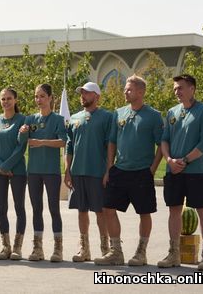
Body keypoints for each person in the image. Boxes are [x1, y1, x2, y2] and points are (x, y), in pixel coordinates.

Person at [94, 75, 163, 266]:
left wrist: (153, 168)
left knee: (144, 212)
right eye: (125, 88)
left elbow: (161, 144)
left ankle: (141, 252)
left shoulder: (154, 115)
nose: (125, 91)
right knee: (108, 208)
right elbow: (112, 142)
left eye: (129, 89)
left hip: (142, 172)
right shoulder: (119, 113)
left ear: (141, 92)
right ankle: (116, 251)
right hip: (119, 170)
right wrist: (109, 168)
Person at [157, 74, 203, 271]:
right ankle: (174, 254)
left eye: (180, 88)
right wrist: (170, 160)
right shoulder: (172, 112)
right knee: (174, 210)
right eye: (175, 88)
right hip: (173, 171)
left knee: (202, 210)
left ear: (192, 89)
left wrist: (186, 160)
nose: (177, 92)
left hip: (196, 172)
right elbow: (164, 140)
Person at [64, 82, 112, 262]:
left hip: (98, 172)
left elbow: (110, 146)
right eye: (82, 93)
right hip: (77, 172)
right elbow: (69, 147)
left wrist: (108, 170)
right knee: (81, 210)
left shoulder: (107, 117)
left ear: (97, 96)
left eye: (87, 93)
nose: (83, 96)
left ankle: (105, 248)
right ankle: (84, 249)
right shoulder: (75, 118)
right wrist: (67, 171)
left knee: (101, 211)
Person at [19, 84, 67, 262]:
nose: (39, 100)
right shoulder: (30, 119)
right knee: (36, 209)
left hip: (51, 172)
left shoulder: (58, 119)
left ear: (50, 98)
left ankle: (58, 248)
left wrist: (42, 142)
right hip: (33, 172)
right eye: (36, 96)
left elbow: (63, 142)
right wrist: (22, 133)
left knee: (54, 209)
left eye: (42, 96)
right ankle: (37, 248)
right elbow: (22, 141)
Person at [0, 87, 27, 260]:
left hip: (17, 171)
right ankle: (6, 246)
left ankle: (18, 247)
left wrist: (8, 165)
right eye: (3, 99)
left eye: (9, 98)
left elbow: (21, 147)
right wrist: (1, 166)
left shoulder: (22, 120)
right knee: (1, 209)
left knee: (19, 208)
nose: (6, 102)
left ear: (15, 100)